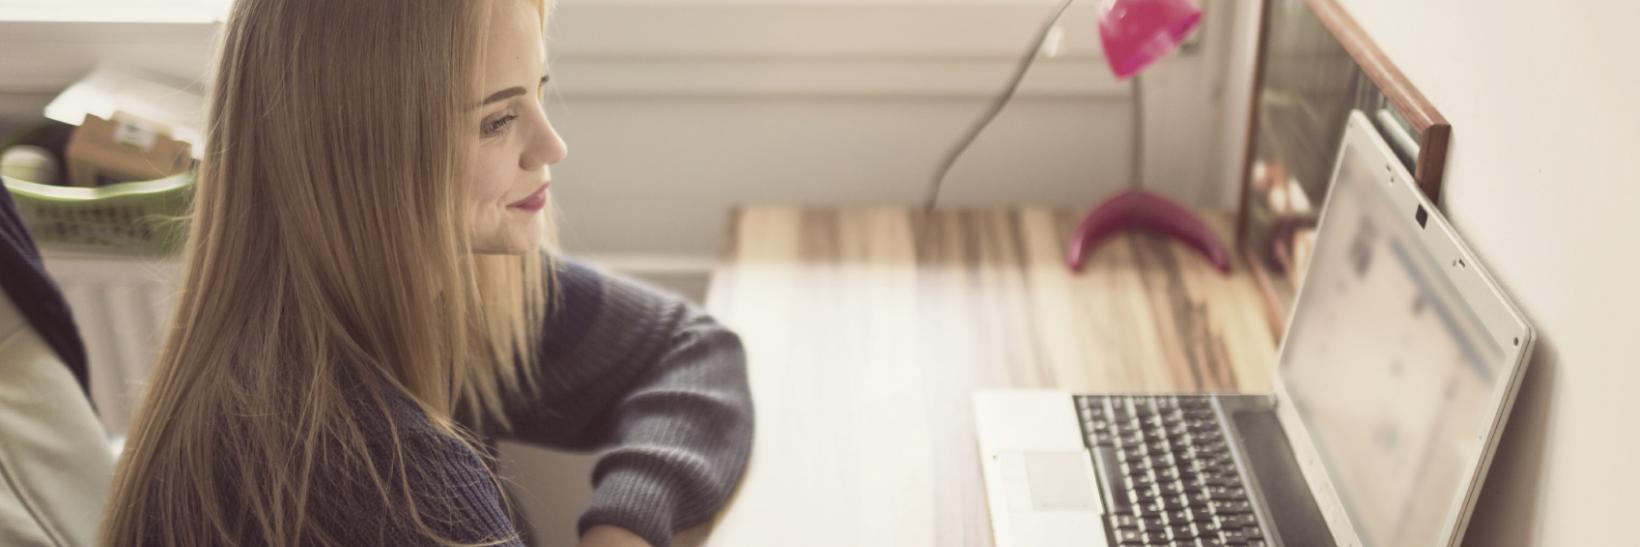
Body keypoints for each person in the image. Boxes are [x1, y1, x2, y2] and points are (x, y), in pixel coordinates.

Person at [96, 1, 754, 546]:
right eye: (497, 120)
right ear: (364, 154)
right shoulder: (380, 483)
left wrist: (628, 522)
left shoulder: (434, 293)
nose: (551, 145)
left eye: (538, 92)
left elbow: (694, 347)